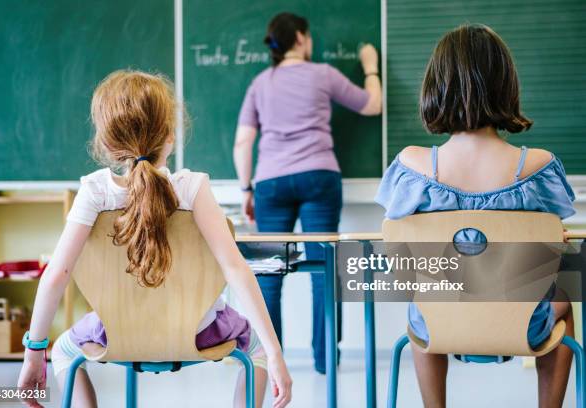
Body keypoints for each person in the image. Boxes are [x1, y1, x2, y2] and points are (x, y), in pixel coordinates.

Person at [17, 70, 292, 408]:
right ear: (170, 137)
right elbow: (236, 269)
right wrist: (277, 354)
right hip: (199, 333)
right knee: (258, 349)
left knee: (61, 351)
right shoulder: (194, 188)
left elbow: (56, 274)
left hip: (115, 333)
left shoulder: (94, 192)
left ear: (106, 143)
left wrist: (34, 353)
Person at [375, 24, 576, 407]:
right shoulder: (539, 167)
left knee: (425, 296)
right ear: (506, 84)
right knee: (567, 296)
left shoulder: (410, 168)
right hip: (522, 325)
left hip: (438, 323)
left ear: (436, 86)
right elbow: (556, 243)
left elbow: (396, 249)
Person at [233, 12, 382, 374]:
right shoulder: (323, 74)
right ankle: (325, 360)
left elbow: (243, 143)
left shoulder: (260, 83)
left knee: (269, 274)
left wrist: (246, 189)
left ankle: (270, 361)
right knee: (324, 270)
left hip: (270, 182)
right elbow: (372, 104)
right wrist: (371, 66)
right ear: (300, 38)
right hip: (318, 176)